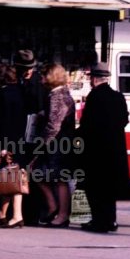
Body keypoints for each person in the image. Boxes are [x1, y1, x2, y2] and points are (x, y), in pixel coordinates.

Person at [76, 62, 130, 233]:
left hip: (96, 152)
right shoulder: (118, 96)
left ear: (94, 79)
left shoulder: (94, 97)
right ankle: (111, 220)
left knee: (96, 189)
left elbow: (87, 125)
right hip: (114, 152)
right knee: (109, 191)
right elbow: (124, 120)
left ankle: (100, 222)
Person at [31, 63, 76, 228]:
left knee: (59, 179)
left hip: (57, 143)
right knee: (43, 175)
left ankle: (62, 214)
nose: (41, 79)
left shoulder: (57, 96)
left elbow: (54, 124)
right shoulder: (61, 94)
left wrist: (42, 143)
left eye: (44, 76)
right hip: (61, 142)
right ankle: (54, 207)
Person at [0, 64, 26, 228]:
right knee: (14, 178)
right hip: (18, 140)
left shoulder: (1, 95)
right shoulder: (20, 92)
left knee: (8, 178)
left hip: (5, 141)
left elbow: (2, 123)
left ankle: (14, 214)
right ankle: (9, 214)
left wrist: (1, 146)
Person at [14, 49, 48, 225]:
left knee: (32, 175)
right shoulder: (20, 81)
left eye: (29, 68)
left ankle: (33, 213)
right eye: (23, 68)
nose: (26, 71)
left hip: (33, 136)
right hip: (23, 135)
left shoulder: (37, 85)